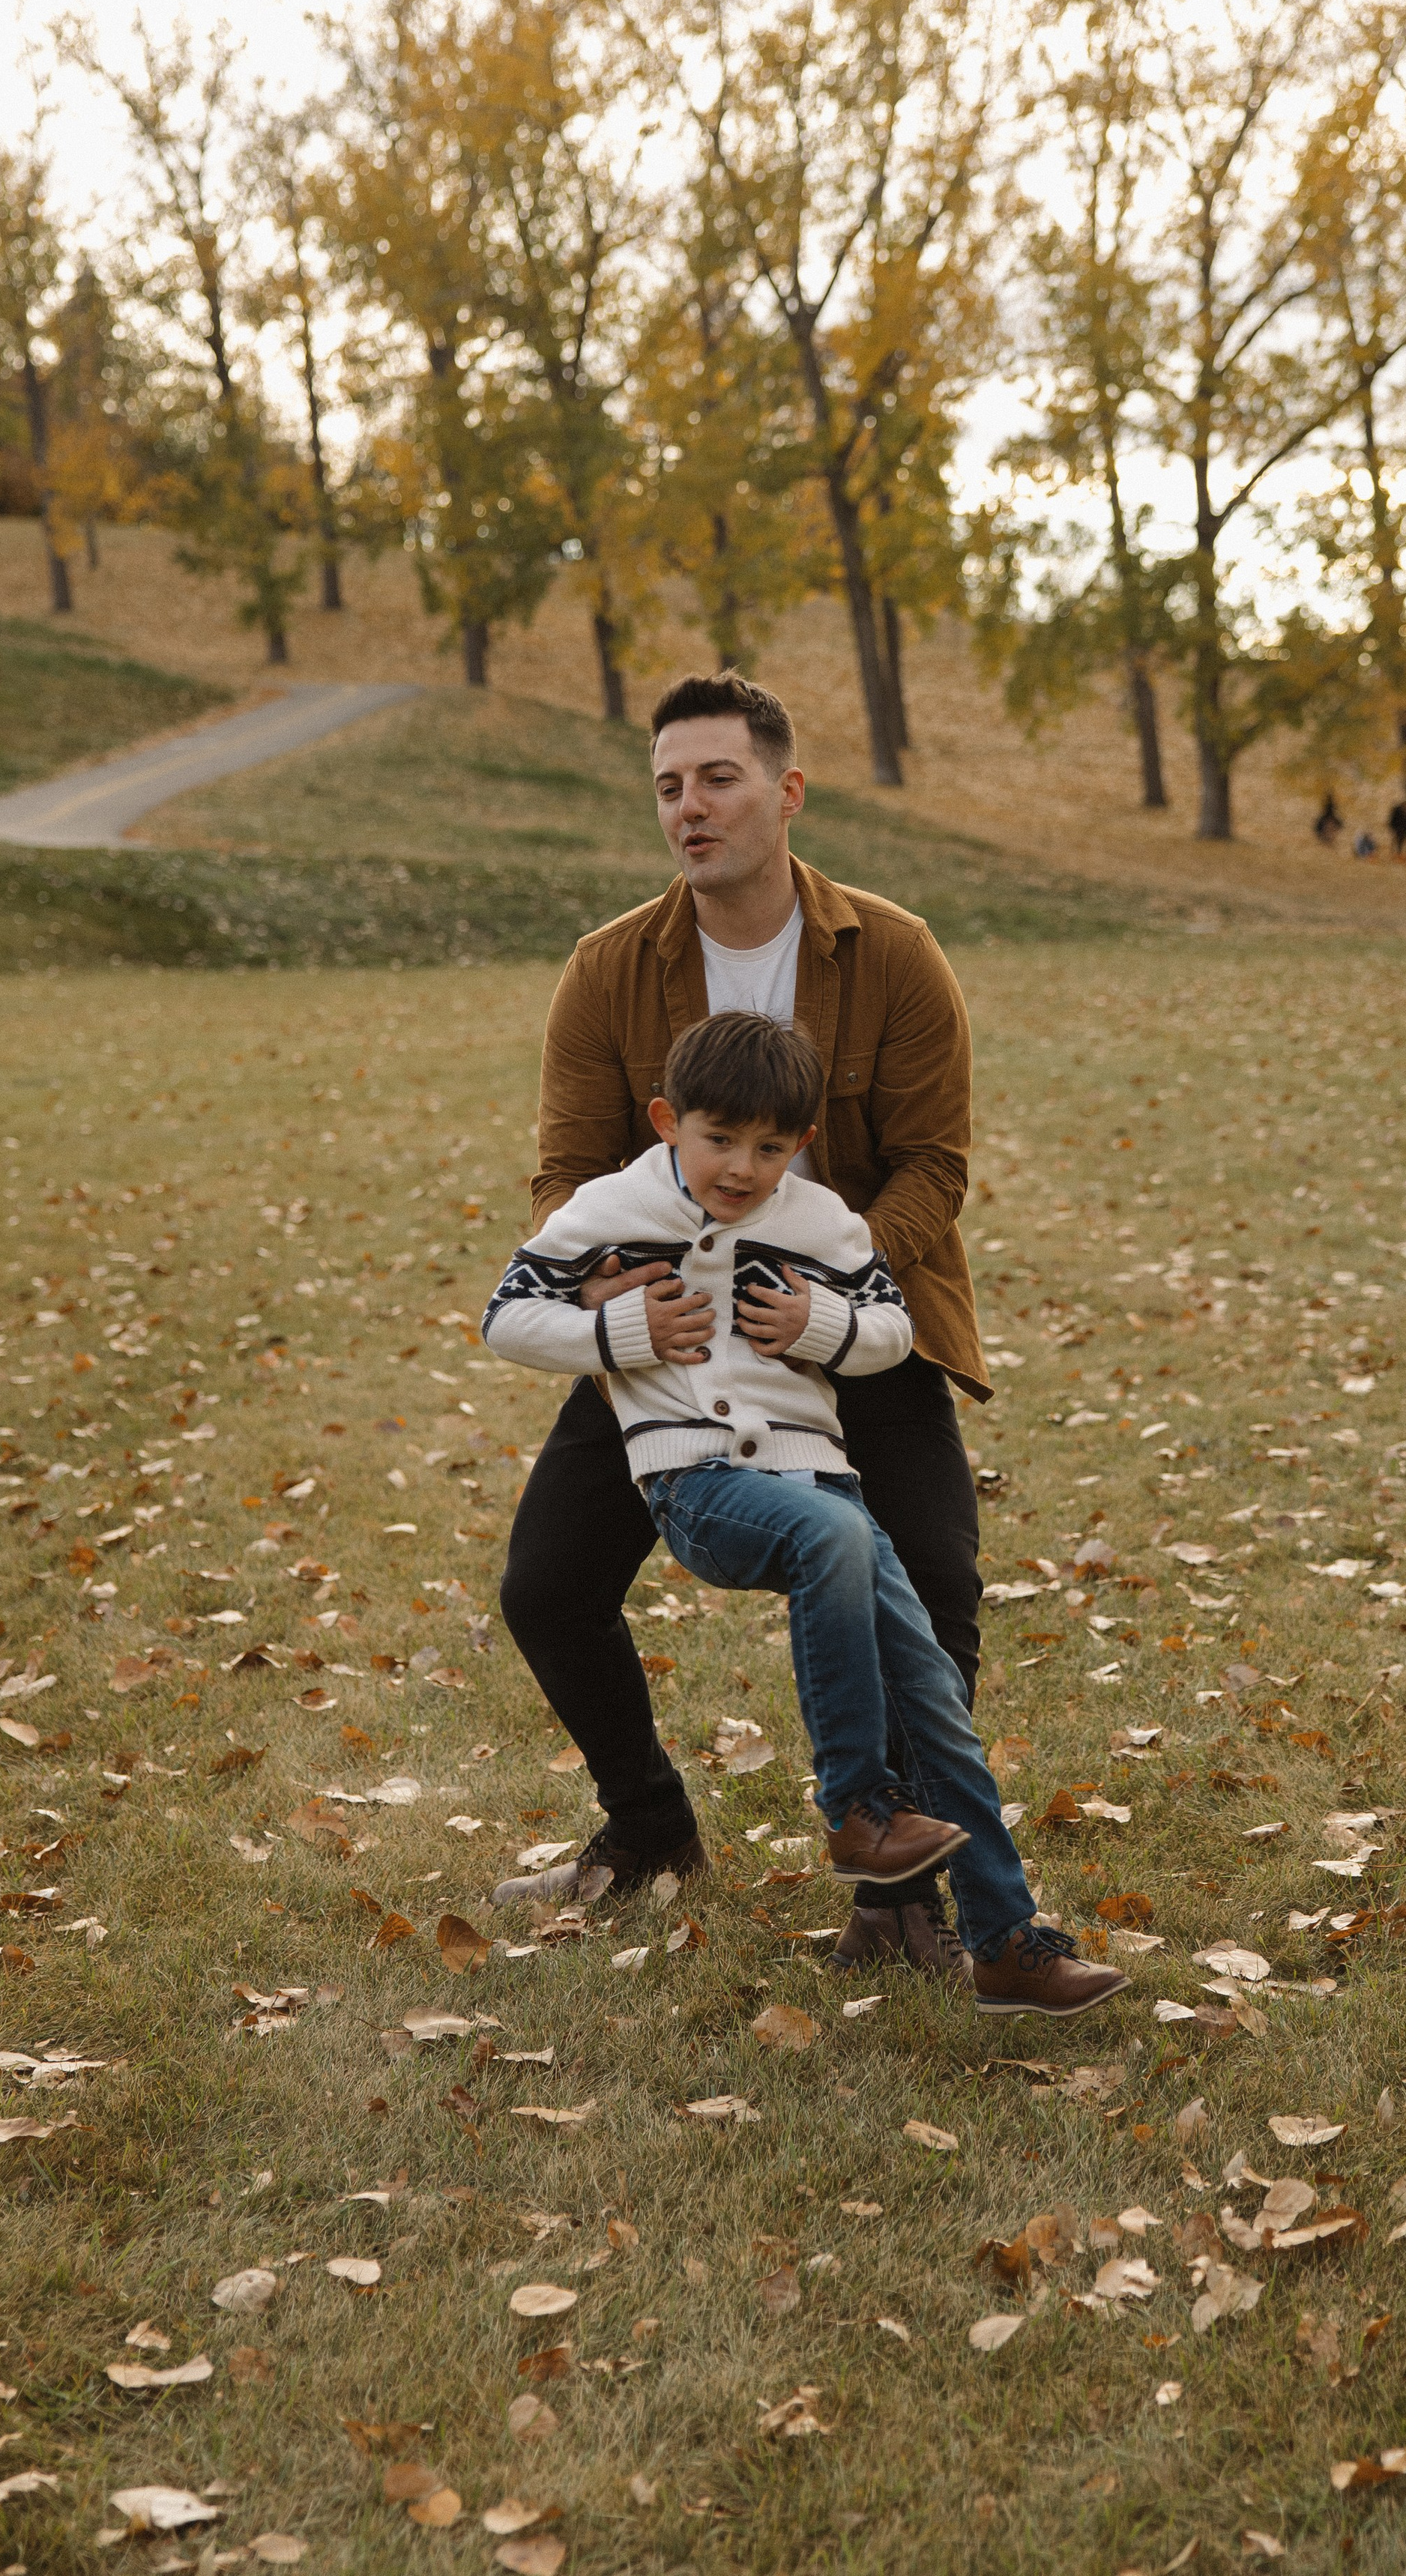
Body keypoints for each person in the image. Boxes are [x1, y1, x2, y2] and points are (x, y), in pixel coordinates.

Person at [491, 671, 989, 1984]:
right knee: (546, 1587)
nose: (690, 808)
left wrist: (828, 1297)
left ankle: (904, 1899)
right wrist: (616, 1296)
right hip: (673, 1335)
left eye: (718, 778)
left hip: (848, 1326)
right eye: (668, 785)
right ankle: (649, 1833)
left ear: (786, 792)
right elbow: (563, 1174)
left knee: (935, 1591)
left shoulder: (893, 952)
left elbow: (936, 1163)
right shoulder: (611, 969)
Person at [483, 1009, 1129, 2020]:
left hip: (821, 1479)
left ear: (804, 1144)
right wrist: (619, 1329)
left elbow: (889, 1327)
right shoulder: (608, 1210)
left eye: (771, 1148)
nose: (743, 1168)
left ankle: (1007, 1942)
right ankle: (855, 1806)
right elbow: (507, 1317)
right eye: (720, 1141)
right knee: (828, 1540)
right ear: (667, 1121)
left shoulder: (822, 1221)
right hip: (697, 1479)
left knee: (938, 1709)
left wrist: (817, 1325)